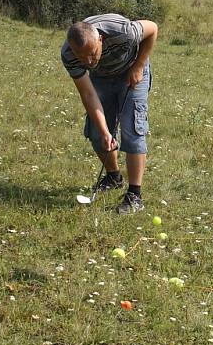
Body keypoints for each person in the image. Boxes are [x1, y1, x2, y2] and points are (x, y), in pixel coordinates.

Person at [61, 14, 158, 213]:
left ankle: (134, 195)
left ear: (101, 40)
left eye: (92, 53)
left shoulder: (124, 31)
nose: (89, 61)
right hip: (102, 79)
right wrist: (105, 132)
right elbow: (88, 94)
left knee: (132, 128)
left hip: (132, 69)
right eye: (83, 57)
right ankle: (113, 177)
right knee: (97, 133)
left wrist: (139, 66)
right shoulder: (69, 54)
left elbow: (153, 28)